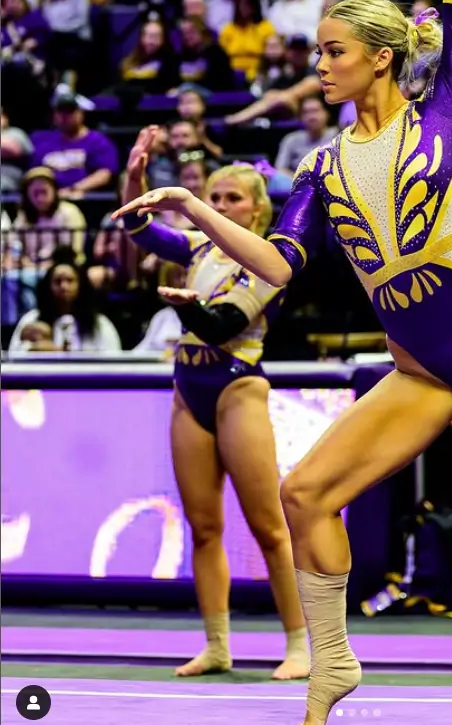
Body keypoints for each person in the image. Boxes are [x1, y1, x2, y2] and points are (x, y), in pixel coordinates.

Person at [113, 0, 452, 725]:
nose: (315, 65)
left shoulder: (444, 110)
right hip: (416, 362)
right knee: (305, 494)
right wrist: (189, 206)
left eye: (332, 51)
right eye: (316, 50)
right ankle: (331, 662)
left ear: (381, 58)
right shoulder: (318, 165)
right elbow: (278, 264)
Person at [120, 133, 310, 681]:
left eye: (231, 200)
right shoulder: (199, 247)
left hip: (237, 386)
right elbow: (137, 227)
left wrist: (188, 306)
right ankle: (217, 644)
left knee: (269, 526)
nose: (220, 206)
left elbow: (224, 324)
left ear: (256, 208)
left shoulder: (269, 258)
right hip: (190, 386)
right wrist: (137, 177)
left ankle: (299, 644)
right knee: (204, 527)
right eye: (215, 197)